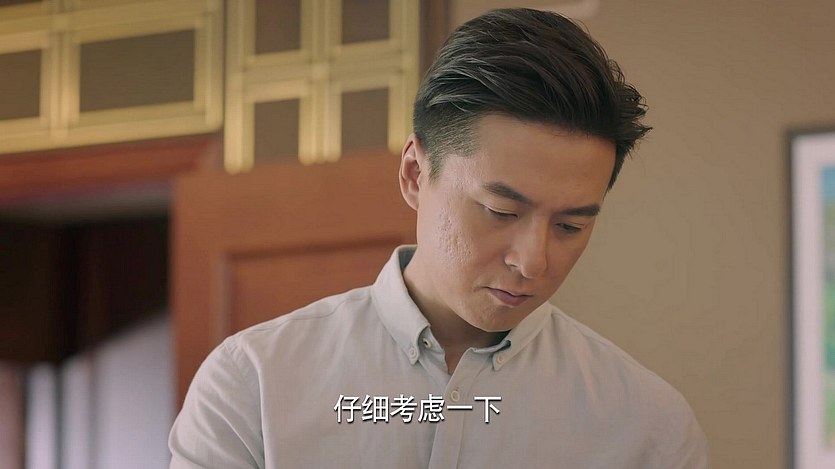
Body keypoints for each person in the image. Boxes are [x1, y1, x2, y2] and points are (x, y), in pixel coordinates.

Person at [169, 8, 708, 468]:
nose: (532, 262)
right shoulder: (254, 383)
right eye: (501, 211)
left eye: (571, 226)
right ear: (414, 173)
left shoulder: (647, 426)